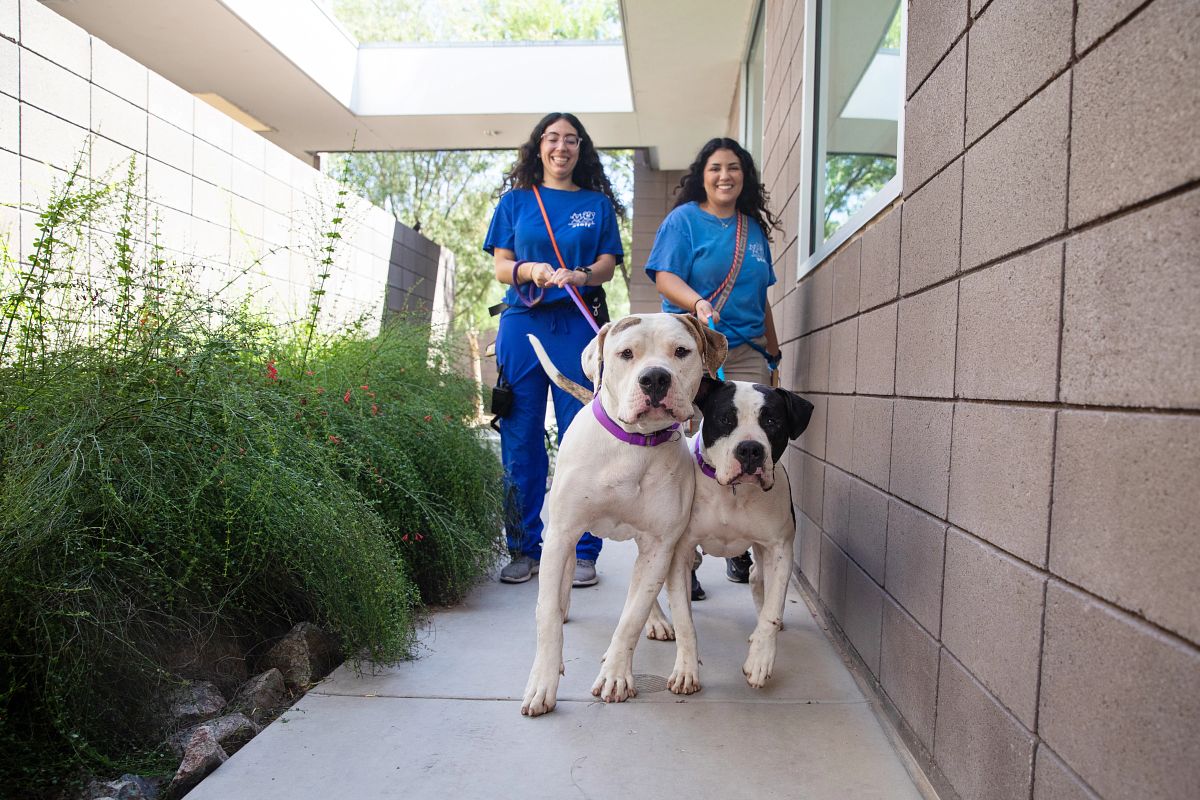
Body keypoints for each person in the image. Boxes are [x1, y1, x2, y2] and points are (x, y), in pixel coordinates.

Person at [484, 112, 625, 588]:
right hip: (522, 322)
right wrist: (531, 270)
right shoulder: (516, 202)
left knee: (582, 438)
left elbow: (607, 264)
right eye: (552, 138)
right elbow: (502, 266)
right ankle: (524, 548)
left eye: (570, 140)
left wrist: (581, 275)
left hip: (576, 326)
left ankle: (583, 551)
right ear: (538, 147)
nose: (561, 147)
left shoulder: (596, 205)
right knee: (519, 439)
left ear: (580, 149)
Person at [644, 137, 782, 598]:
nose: (725, 176)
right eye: (716, 168)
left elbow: (762, 300)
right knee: (692, 449)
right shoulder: (683, 220)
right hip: (696, 346)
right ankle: (688, 555)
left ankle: (739, 546)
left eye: (734, 168)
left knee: (746, 442)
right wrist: (699, 303)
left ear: (745, 177)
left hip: (747, 352)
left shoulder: (753, 231)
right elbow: (664, 276)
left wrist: (774, 354)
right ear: (702, 174)